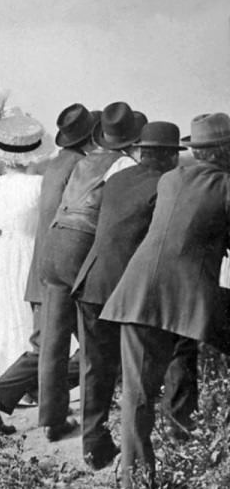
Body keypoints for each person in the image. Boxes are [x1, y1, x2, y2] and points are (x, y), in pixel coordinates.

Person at [101, 112, 230, 489]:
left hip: (137, 291)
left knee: (137, 394)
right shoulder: (225, 187)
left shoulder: (171, 179)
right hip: (185, 297)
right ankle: (206, 441)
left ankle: (136, 484)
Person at [0, 103, 97, 432]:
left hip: (28, 259)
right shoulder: (80, 168)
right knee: (93, 343)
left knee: (45, 343)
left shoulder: (50, 170)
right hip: (67, 263)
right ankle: (51, 403)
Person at [69, 121, 188, 470]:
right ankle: (151, 449)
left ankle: (94, 449)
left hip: (92, 282)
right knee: (143, 373)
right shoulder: (166, 185)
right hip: (126, 290)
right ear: (168, 156)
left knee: (95, 369)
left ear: (139, 151)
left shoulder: (118, 179)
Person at [32, 102, 141, 440]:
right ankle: (97, 422)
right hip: (80, 248)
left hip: (53, 243)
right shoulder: (122, 164)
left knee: (53, 336)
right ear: (134, 140)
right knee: (94, 340)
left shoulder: (85, 161)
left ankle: (51, 418)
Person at [0, 114, 53, 394]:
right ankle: (33, 383)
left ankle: (1, 377)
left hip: (3, 251)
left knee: (2, 314)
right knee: (29, 313)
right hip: (30, 248)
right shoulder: (38, 185)